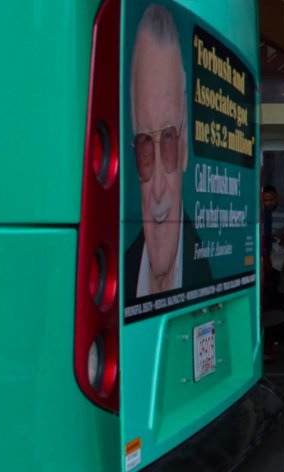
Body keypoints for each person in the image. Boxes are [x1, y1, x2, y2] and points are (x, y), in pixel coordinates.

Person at [124, 4, 211, 300]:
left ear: (184, 145)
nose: (158, 188)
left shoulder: (207, 274)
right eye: (145, 147)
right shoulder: (119, 279)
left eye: (169, 140)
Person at [261, 185, 284, 309]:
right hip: (262, 252)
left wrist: (276, 238)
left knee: (274, 280)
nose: (268, 203)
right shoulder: (259, 213)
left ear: (276, 198)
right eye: (265, 200)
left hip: (277, 252)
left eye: (271, 200)